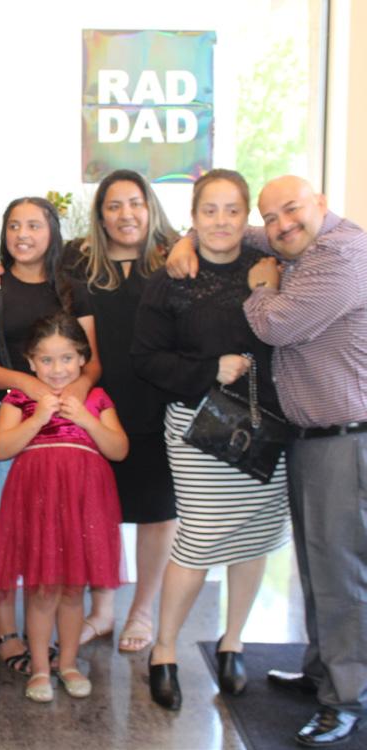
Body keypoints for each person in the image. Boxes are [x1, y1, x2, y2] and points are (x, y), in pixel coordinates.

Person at [0, 169, 179, 653]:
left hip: (153, 399)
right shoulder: (80, 261)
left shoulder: (174, 257)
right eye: (113, 205)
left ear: (150, 208)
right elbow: (29, 256)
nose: (125, 214)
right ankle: (102, 611)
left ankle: (141, 611)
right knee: (96, 510)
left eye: (135, 203)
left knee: (156, 510)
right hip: (89, 402)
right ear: (99, 216)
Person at [131, 170, 290, 711]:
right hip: (197, 428)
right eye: (209, 210)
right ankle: (165, 649)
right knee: (198, 540)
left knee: (255, 536)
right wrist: (208, 370)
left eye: (232, 210)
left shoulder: (271, 267)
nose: (221, 221)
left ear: (247, 218)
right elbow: (145, 358)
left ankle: (233, 641)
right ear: (193, 216)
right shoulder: (172, 278)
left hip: (266, 424)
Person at [243, 176, 365, 746]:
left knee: (341, 577)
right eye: (270, 216)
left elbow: (277, 325)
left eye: (291, 210)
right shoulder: (304, 244)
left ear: (321, 202)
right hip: (315, 440)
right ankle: (323, 673)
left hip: (345, 441)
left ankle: (346, 699)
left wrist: (260, 288)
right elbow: (255, 235)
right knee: (318, 568)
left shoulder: (342, 256)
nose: (281, 225)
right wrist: (199, 236)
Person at [0, 197, 99, 674]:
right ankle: (6, 630)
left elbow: (92, 362)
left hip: (63, 428)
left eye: (34, 225)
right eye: (14, 225)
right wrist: (30, 386)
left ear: (52, 231)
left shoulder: (74, 291)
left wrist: (72, 395)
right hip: (9, 420)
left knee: (59, 529)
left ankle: (53, 635)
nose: (23, 234)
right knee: (8, 529)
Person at [0, 312, 127, 703]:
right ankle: (39, 667)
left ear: (82, 359)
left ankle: (68, 663)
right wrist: (39, 417)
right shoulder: (19, 399)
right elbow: (1, 447)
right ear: (31, 363)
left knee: (72, 590)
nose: (57, 368)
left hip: (84, 501)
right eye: (46, 360)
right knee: (42, 590)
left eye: (66, 358)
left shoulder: (96, 399)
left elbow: (118, 449)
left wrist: (86, 419)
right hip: (38, 501)